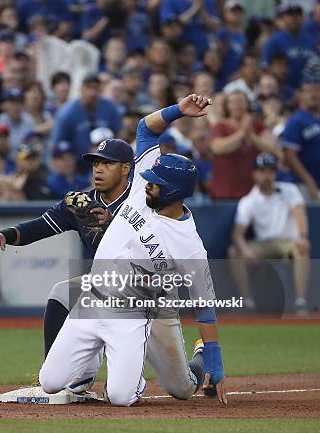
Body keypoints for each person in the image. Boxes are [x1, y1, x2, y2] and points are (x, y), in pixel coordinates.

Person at [38, 95, 227, 406]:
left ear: (174, 193)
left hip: (134, 312)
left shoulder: (189, 244)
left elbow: (204, 305)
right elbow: (145, 129)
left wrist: (216, 362)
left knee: (137, 395)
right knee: (50, 383)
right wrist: (178, 110)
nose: (146, 182)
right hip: (92, 298)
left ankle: (197, 358)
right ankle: (93, 361)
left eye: (154, 183)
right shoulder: (144, 187)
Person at [0, 137, 133, 357]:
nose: (98, 169)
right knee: (62, 293)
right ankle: (55, 369)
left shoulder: (142, 202)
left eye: (107, 163)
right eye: (96, 163)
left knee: (179, 383)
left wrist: (114, 225)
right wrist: (4, 234)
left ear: (125, 168)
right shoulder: (82, 203)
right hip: (104, 283)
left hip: (144, 287)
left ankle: (199, 359)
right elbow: (40, 226)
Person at [229, 153, 310, 314]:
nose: (267, 175)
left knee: (302, 247)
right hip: (263, 244)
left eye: (271, 171)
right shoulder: (249, 200)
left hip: (288, 242)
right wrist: (245, 249)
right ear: (254, 174)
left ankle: (301, 302)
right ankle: (247, 302)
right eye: (263, 171)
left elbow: (299, 214)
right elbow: (238, 233)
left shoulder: (290, 190)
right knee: (234, 252)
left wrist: (302, 237)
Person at [281, 81, 320, 201]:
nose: (313, 95)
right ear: (301, 95)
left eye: (316, 90)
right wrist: (309, 183)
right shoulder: (296, 121)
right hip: (305, 185)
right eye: (308, 91)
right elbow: (290, 156)